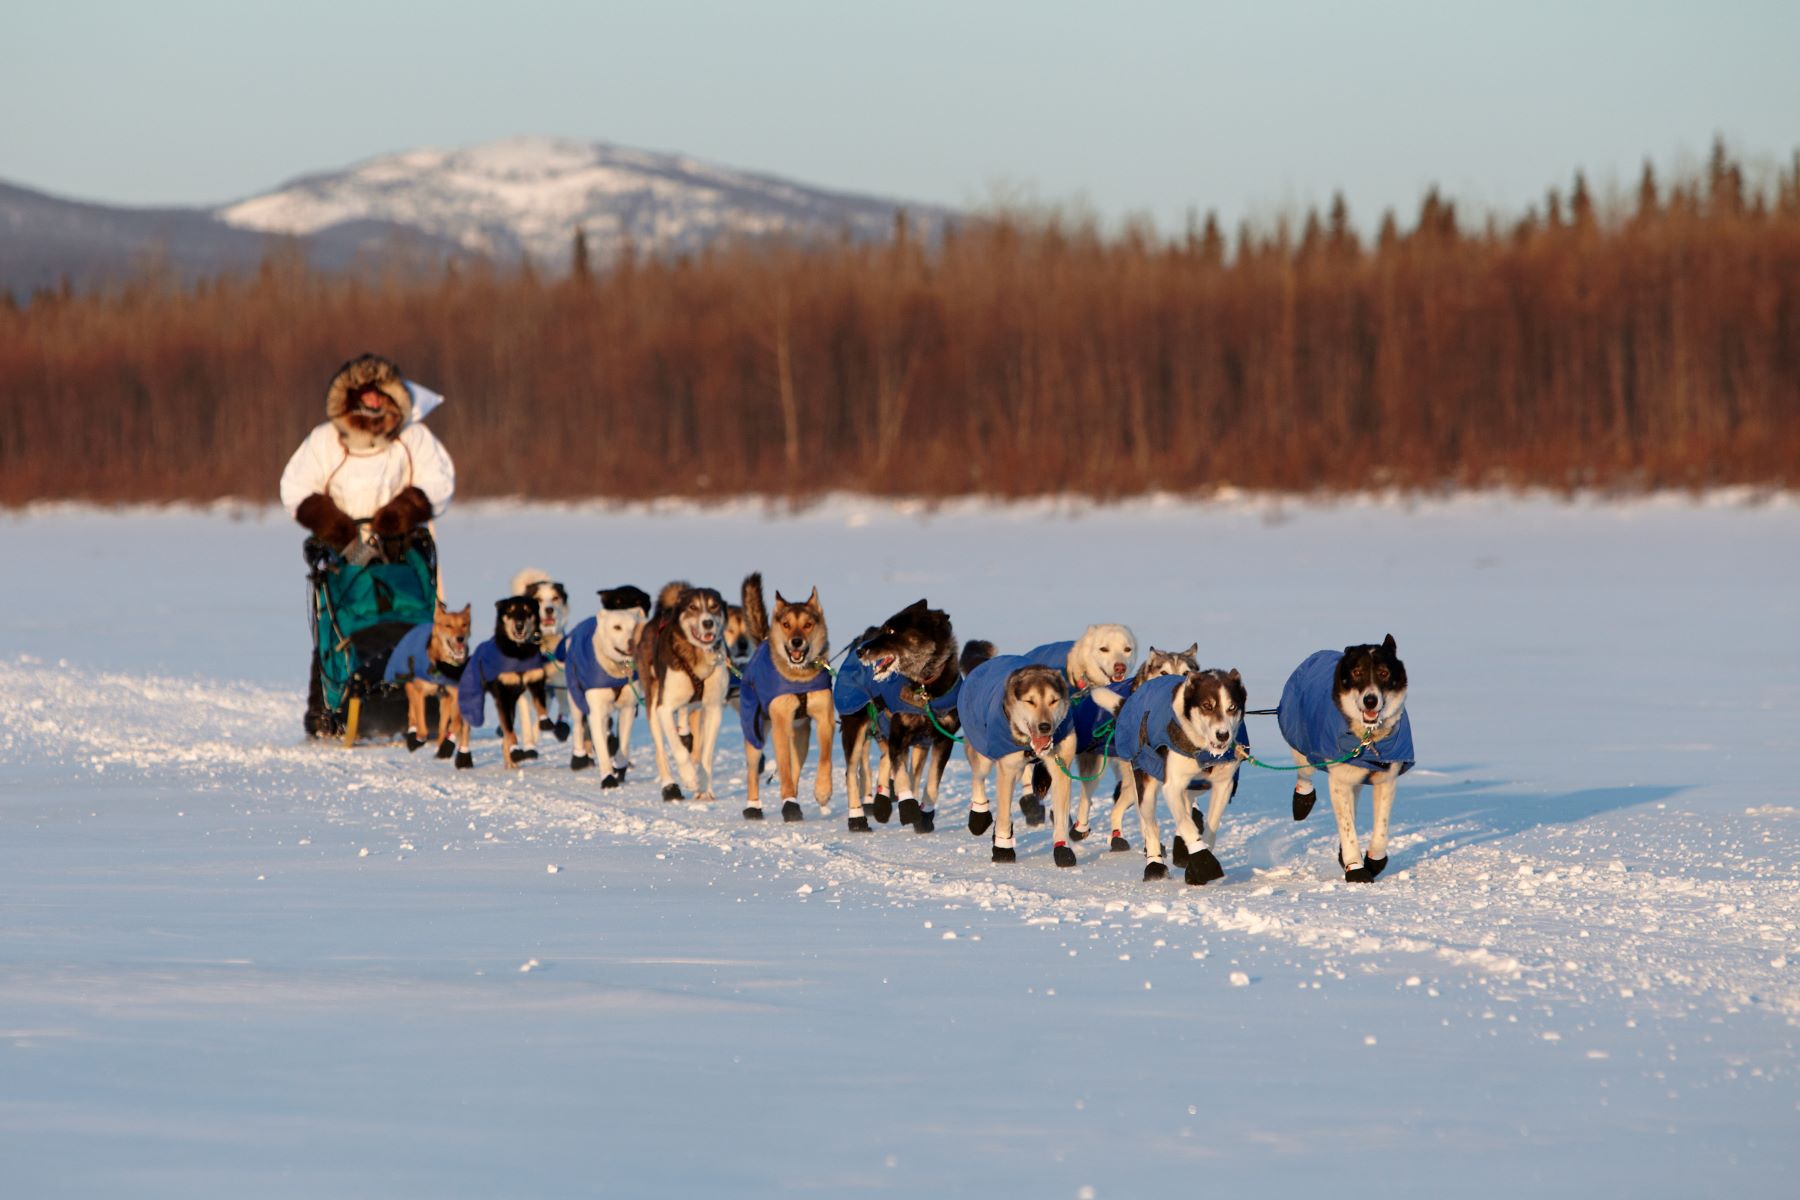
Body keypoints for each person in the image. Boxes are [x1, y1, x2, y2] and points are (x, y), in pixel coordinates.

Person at [279, 353, 454, 552]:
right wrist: (332, 526)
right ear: (351, 395)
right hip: (344, 555)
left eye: (378, 391)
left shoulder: (411, 435)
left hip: (401, 553)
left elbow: (439, 482)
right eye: (366, 392)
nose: (373, 398)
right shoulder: (326, 439)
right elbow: (296, 488)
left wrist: (400, 516)